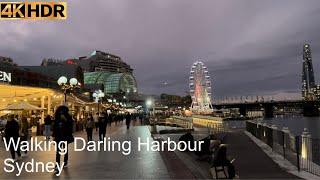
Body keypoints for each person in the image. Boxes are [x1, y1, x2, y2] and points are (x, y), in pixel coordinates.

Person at [52, 106, 74, 171]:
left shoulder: (68, 117)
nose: (61, 113)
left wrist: (65, 120)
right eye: (60, 112)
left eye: (63, 112)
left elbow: (70, 126)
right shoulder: (57, 118)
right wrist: (54, 135)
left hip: (65, 136)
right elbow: (55, 127)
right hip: (58, 136)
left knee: (65, 149)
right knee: (58, 151)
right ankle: (57, 164)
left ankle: (65, 161)